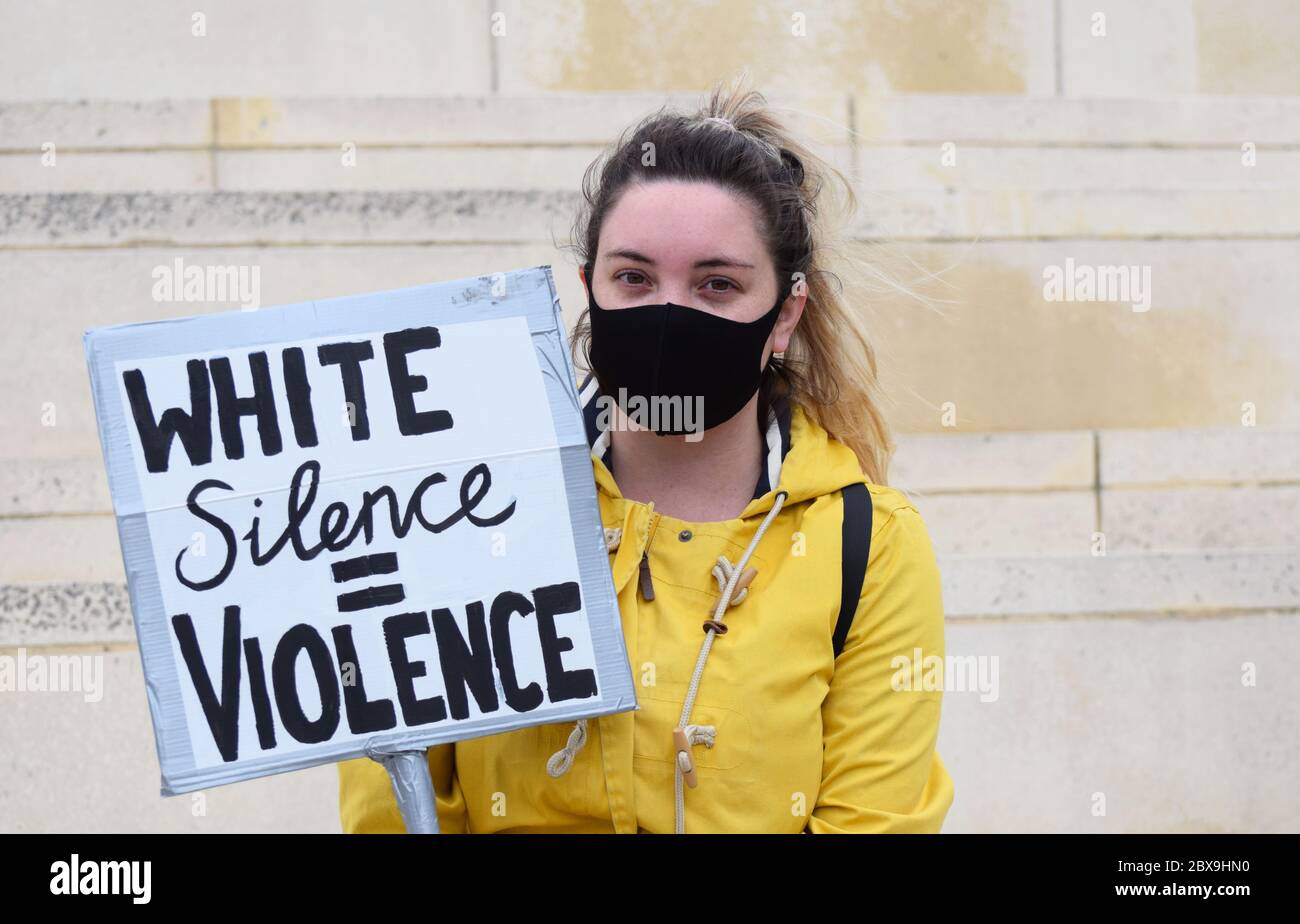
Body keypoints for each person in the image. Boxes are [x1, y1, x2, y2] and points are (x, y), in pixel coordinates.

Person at [337, 75, 954, 834]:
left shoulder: (872, 545)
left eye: (717, 285)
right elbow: (394, 810)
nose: (668, 314)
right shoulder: (461, 510)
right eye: (633, 277)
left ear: (785, 315)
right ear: (588, 288)